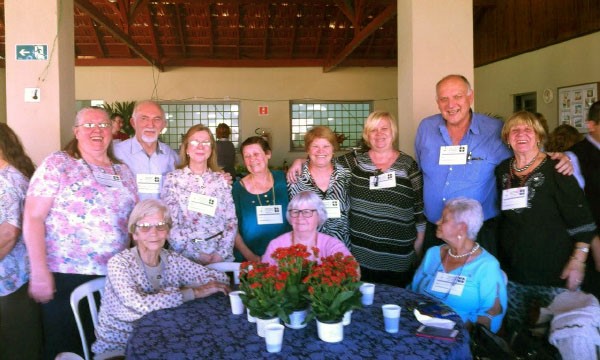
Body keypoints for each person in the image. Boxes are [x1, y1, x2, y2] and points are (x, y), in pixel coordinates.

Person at [23, 107, 138, 359]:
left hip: (113, 276)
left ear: (112, 131)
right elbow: (33, 216)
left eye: (103, 125)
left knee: (106, 346)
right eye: (89, 125)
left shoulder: (123, 172)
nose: (97, 130)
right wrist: (39, 269)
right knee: (67, 348)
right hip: (65, 273)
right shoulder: (59, 163)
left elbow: (131, 225)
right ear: (76, 131)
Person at [416, 74, 573, 257]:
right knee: (429, 282)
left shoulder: (495, 129)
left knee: (481, 284)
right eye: (444, 99)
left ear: (470, 97)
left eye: (457, 96)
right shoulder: (426, 128)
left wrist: (555, 156)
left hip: (479, 234)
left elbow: (528, 154)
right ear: (437, 102)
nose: (451, 105)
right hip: (436, 229)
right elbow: (421, 172)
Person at [290, 112, 425, 287]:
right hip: (362, 255)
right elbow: (324, 158)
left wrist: (418, 246)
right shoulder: (354, 161)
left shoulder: (408, 164)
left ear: (393, 131)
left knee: (396, 303)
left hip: (399, 255)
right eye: (373, 130)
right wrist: (300, 161)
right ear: (367, 135)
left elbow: (419, 208)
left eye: (384, 128)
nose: (379, 134)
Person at [495, 110, 596, 334]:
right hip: (515, 270)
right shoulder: (502, 170)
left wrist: (578, 261)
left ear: (539, 136)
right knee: (517, 332)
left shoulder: (557, 168)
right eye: (515, 130)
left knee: (556, 333)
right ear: (507, 137)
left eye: (528, 129)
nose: (521, 134)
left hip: (554, 271)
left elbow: (583, 221)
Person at [92, 199, 230, 359]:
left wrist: (203, 286)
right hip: (121, 347)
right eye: (144, 227)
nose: (154, 233)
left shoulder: (172, 259)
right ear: (134, 233)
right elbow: (138, 305)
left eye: (160, 226)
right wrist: (192, 293)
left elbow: (218, 278)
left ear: (168, 231)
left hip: (164, 337)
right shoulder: (119, 264)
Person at [410, 197, 507, 333]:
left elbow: (492, 316)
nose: (437, 222)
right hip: (418, 326)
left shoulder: (486, 266)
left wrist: (460, 328)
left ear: (461, 228)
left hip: (459, 335)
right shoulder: (433, 254)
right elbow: (412, 290)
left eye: (444, 219)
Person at [161, 125, 237, 265]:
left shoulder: (221, 180)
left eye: (206, 142)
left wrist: (221, 253)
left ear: (211, 149)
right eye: (195, 142)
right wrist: (196, 254)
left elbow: (231, 221)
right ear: (186, 148)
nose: (200, 146)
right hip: (184, 259)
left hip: (220, 258)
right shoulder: (173, 179)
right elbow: (170, 224)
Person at [0, 124, 42, 360]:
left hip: (9, 281)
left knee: (14, 347)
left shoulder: (7, 180)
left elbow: (8, 233)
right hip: (17, 280)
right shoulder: (14, 174)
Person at [288, 126, 351, 247]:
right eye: (315, 146)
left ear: (333, 149)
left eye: (326, 146)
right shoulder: (295, 178)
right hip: (306, 249)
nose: (320, 151)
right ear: (307, 150)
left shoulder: (346, 175)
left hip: (340, 248)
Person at [232, 136, 291, 262]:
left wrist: (300, 161)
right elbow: (231, 228)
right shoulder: (237, 189)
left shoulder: (285, 180)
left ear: (268, 154)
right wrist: (251, 257)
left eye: (256, 154)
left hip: (286, 257)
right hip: (250, 258)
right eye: (247, 156)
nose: (252, 159)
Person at [262, 191, 352, 265]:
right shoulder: (276, 245)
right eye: (295, 211)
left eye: (307, 212)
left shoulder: (332, 245)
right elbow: (264, 276)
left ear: (319, 216)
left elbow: (354, 271)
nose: (300, 217)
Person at [114, 100, 179, 200]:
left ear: (163, 125)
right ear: (133, 123)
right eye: (144, 118)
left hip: (163, 215)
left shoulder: (172, 156)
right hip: (129, 215)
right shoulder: (116, 153)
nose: (150, 125)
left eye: (157, 119)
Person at [567, 101, 600, 299]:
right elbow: (576, 207)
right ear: (591, 125)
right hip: (592, 241)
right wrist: (594, 240)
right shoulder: (574, 156)